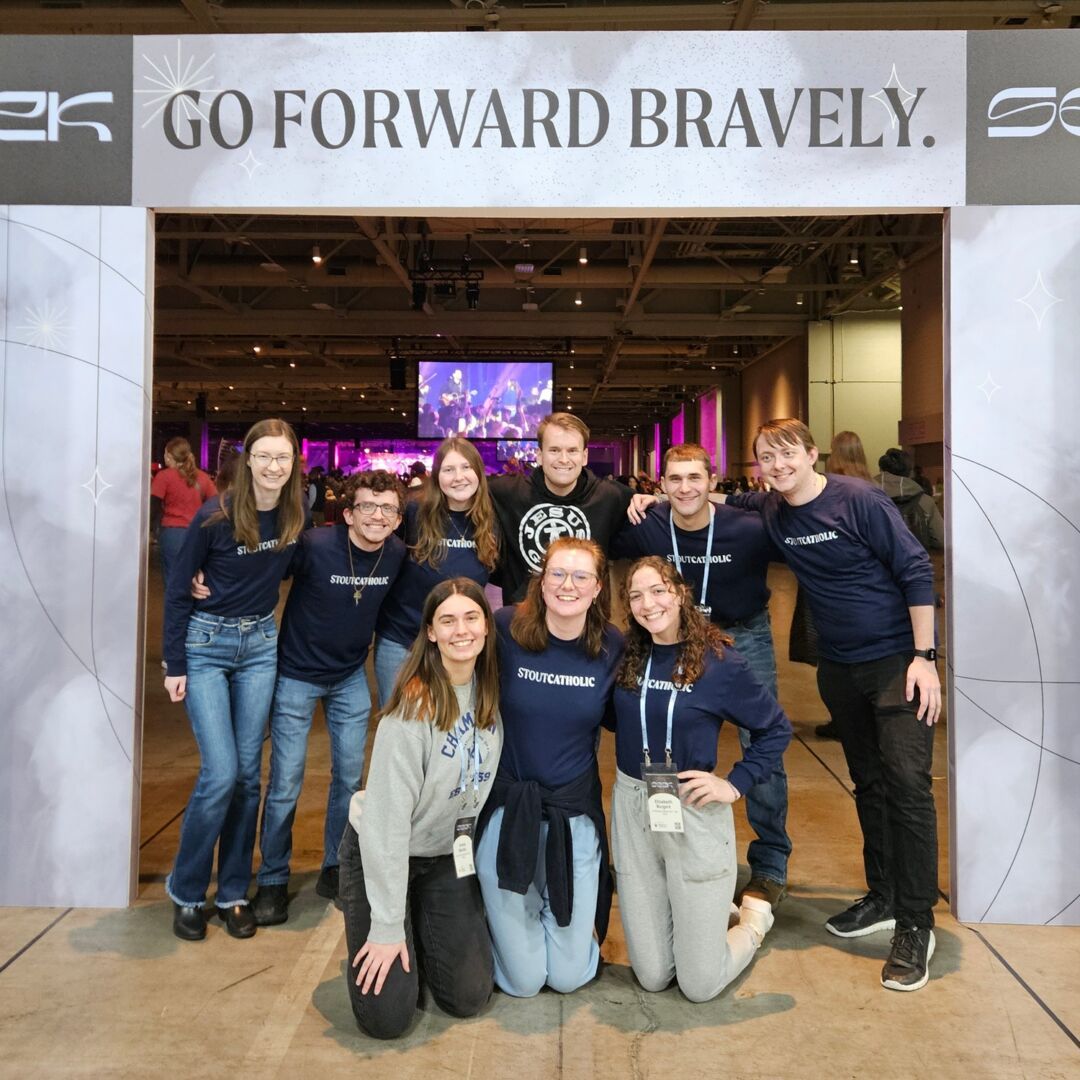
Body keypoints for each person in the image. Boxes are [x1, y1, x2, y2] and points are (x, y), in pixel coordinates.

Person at [729, 419, 941, 992]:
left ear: (812, 454)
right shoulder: (774, 509)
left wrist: (925, 656)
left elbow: (916, 568)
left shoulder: (860, 499)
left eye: (787, 454)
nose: (777, 466)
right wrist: (651, 495)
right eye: (766, 459)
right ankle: (886, 896)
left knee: (907, 784)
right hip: (839, 668)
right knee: (869, 782)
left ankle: (917, 924)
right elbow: (729, 498)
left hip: (897, 662)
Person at [612, 443, 792, 912]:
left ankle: (770, 864)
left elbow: (794, 515)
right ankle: (659, 846)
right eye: (675, 480)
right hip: (671, 636)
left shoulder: (748, 528)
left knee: (762, 738)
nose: (686, 488)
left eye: (695, 478)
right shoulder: (648, 524)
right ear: (661, 485)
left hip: (741, 633)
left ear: (713, 482)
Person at [611, 557, 792, 1001]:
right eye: (635, 595)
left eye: (658, 591)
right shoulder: (627, 657)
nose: (647, 604)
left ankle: (751, 923)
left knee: (699, 985)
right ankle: (709, 917)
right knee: (652, 976)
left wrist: (733, 784)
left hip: (692, 808)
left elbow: (775, 728)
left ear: (680, 593)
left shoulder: (719, 662)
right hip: (634, 807)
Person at [162, 419, 307, 942]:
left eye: (283, 458)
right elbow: (179, 591)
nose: (273, 466)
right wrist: (172, 663)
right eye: (264, 456)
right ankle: (186, 889)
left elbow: (286, 570)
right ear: (248, 461)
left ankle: (233, 893)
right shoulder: (214, 518)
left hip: (260, 648)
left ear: (293, 465)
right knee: (221, 773)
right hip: (205, 647)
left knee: (249, 776)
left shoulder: (295, 514)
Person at [339, 578, 502, 1039]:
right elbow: (386, 827)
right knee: (387, 1020)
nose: (461, 630)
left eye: (471, 617)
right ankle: (379, 914)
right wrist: (387, 926)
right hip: (383, 849)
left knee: (469, 997)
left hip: (445, 856)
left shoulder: (490, 689)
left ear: (487, 626)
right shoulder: (413, 710)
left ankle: (420, 922)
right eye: (447, 621)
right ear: (430, 632)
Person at [249, 471, 408, 924]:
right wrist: (205, 579)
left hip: (349, 678)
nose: (377, 516)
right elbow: (261, 573)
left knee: (349, 780)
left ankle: (335, 868)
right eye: (367, 507)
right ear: (348, 513)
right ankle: (274, 880)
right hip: (296, 677)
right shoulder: (316, 545)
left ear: (398, 520)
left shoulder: (396, 554)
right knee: (285, 783)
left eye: (387, 509)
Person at [475, 538, 622, 996]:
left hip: (571, 816)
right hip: (508, 810)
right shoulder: (505, 628)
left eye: (581, 576)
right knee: (522, 982)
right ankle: (512, 930)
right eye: (557, 573)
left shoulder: (611, 646)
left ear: (598, 588)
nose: (567, 585)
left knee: (567, 977)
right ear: (541, 580)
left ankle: (555, 935)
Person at [374, 437, 499, 705]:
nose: (459, 477)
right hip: (402, 642)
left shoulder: (490, 522)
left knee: (449, 728)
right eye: (449, 470)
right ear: (436, 476)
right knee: (402, 727)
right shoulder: (413, 511)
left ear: (479, 473)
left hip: (456, 645)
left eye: (466, 468)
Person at [489, 412, 633, 604]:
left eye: (572, 451)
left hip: (586, 623)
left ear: (584, 456)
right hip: (523, 620)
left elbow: (657, 516)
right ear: (539, 455)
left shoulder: (611, 496)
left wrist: (648, 500)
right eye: (554, 450)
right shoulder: (508, 492)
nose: (564, 459)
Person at [814, 431, 872, 737]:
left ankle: (843, 717)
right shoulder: (872, 489)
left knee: (833, 663)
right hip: (866, 598)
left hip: (830, 593)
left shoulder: (830, 491)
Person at [150, 437, 216, 589]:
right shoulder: (203, 477)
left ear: (168, 456)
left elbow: (154, 506)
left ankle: (176, 612)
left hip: (173, 535)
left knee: (173, 582)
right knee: (196, 581)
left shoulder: (164, 476)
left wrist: (152, 530)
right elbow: (215, 503)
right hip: (198, 534)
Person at [875, 448, 945, 552]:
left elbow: (842, 536)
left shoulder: (863, 497)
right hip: (914, 564)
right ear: (909, 473)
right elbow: (941, 540)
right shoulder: (924, 501)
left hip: (873, 566)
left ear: (881, 470)